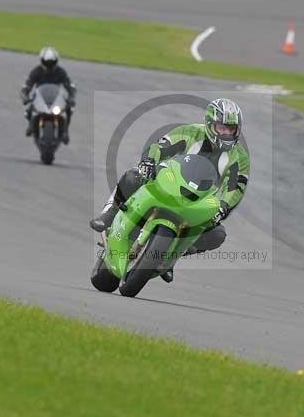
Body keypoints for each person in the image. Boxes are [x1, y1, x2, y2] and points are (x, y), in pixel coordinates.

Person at [89, 98, 249, 282]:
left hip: (198, 200)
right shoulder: (189, 132)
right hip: (168, 182)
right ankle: (110, 213)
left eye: (231, 129)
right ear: (209, 124)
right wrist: (149, 162)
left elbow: (236, 186)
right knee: (134, 176)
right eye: (222, 128)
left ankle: (172, 255)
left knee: (217, 234)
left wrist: (223, 206)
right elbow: (160, 147)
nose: (227, 133)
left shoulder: (240, 157)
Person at [20, 47, 77, 143]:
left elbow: (69, 85)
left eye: (51, 62)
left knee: (69, 109)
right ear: (42, 61)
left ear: (56, 61)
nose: (49, 65)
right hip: (40, 97)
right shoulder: (37, 71)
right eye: (47, 62)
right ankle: (31, 125)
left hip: (56, 97)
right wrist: (25, 95)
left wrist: (72, 97)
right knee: (29, 108)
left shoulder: (60, 72)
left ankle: (65, 131)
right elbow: (27, 85)